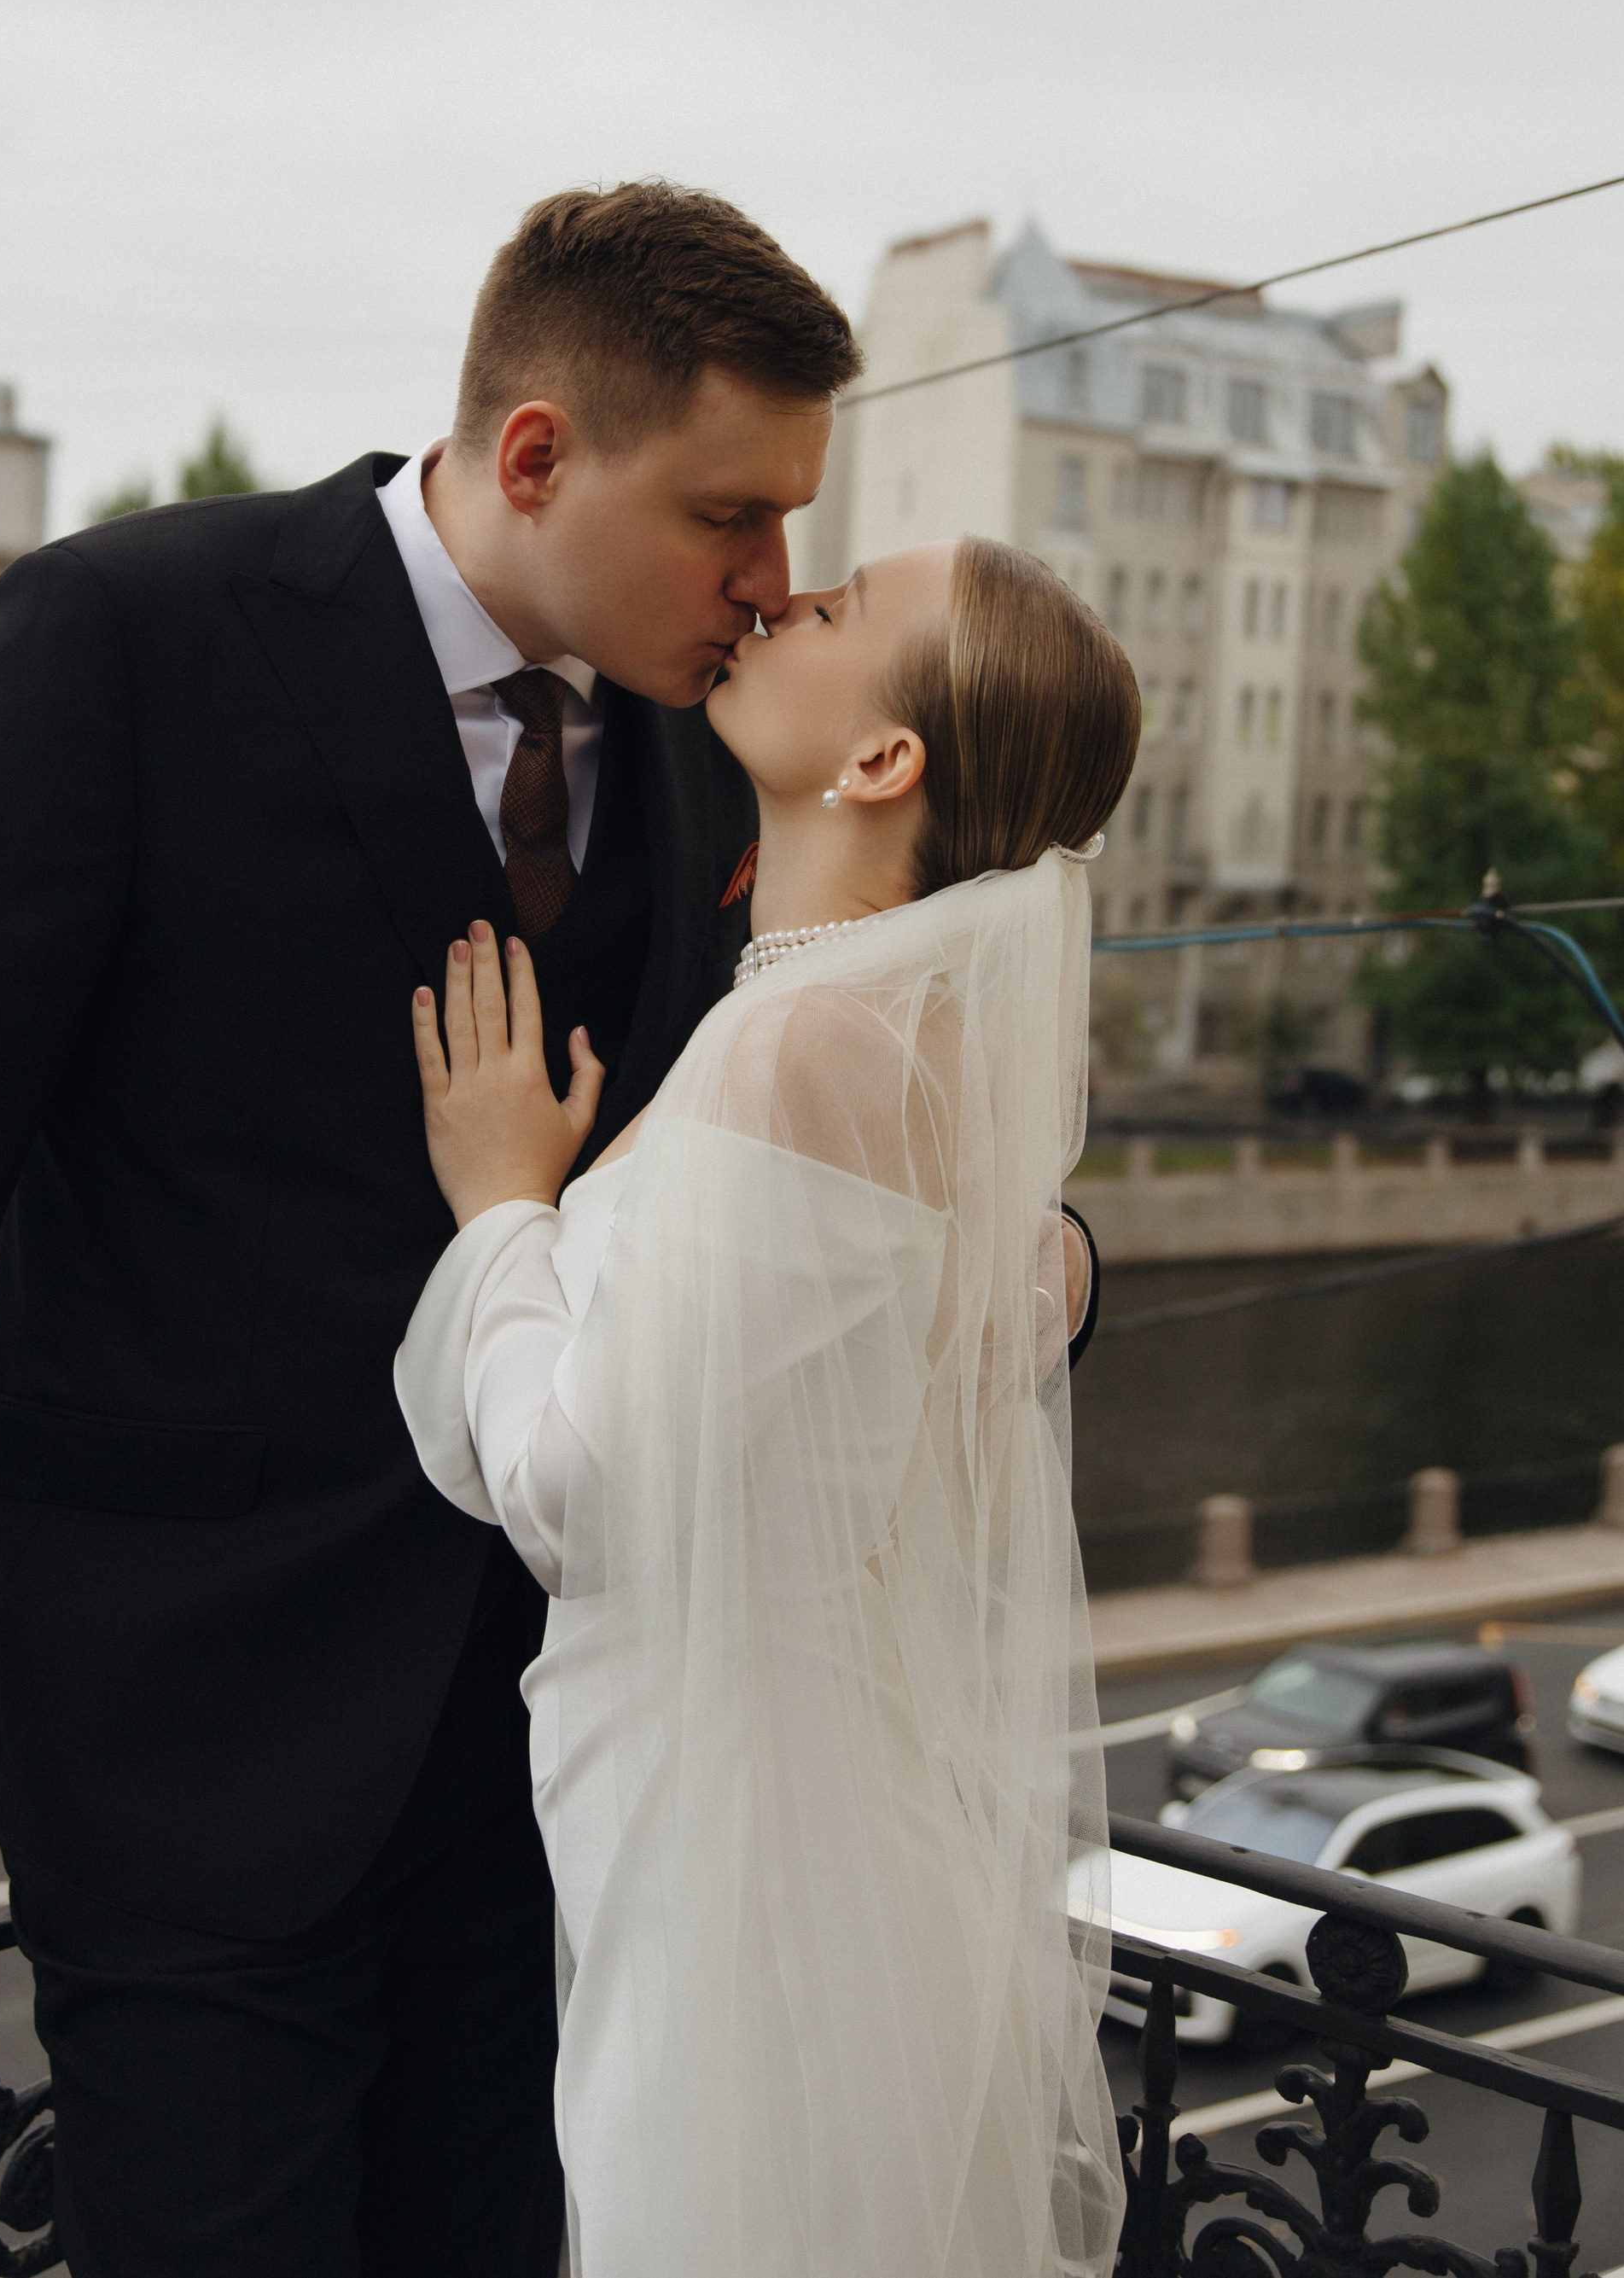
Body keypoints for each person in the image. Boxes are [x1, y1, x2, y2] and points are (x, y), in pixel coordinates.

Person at [0, 183, 863, 2277]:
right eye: (730, 515)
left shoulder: (706, 746)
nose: (770, 582)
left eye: (788, 520)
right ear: (538, 454)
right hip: (181, 1741)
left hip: (550, 1758)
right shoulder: (123, 634)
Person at [393, 535, 1138, 2278]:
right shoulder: (880, 1037)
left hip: (747, 1874)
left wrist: (501, 1205)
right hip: (810, 1817)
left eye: (840, 608)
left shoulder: (803, 1048)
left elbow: (572, 1490)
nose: (782, 597)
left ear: (881, 760)